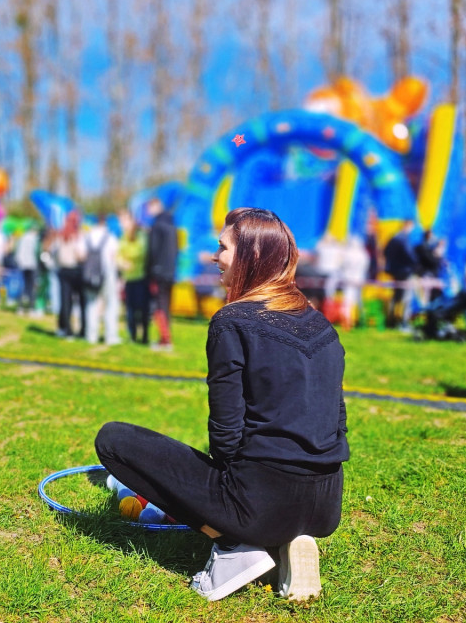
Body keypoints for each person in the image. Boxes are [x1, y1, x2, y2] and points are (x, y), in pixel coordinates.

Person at [95, 207, 348, 602]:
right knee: (249, 486)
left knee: (113, 439)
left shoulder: (231, 321)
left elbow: (225, 435)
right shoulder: (321, 325)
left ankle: (236, 546)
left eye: (223, 247)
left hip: (260, 503)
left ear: (251, 256)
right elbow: (338, 420)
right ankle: (284, 537)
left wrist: (223, 506)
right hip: (325, 505)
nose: (215, 257)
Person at [145, 198, 178, 351]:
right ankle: (166, 338)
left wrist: (149, 270)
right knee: (166, 305)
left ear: (155, 206)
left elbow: (152, 251)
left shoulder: (156, 225)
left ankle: (165, 340)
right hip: (171, 272)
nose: (147, 212)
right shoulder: (172, 224)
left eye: (149, 208)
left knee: (159, 306)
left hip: (158, 272)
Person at [83, 216, 121, 345]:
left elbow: (81, 255)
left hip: (89, 274)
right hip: (108, 273)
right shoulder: (110, 237)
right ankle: (110, 336)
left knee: (91, 304)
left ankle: (91, 335)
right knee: (111, 304)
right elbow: (114, 256)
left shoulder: (86, 236)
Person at [118, 211, 150, 344]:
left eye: (124, 220)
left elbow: (141, 251)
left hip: (141, 277)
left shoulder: (141, 235)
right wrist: (121, 261)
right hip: (128, 278)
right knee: (130, 309)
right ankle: (132, 335)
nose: (122, 224)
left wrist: (127, 258)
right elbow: (118, 253)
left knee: (142, 309)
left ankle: (144, 336)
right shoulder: (123, 236)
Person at [383, 220, 418, 330]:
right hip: (405, 272)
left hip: (394, 271)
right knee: (406, 297)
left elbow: (385, 251)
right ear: (408, 225)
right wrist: (416, 264)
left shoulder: (394, 237)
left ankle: (391, 320)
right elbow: (410, 255)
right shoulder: (403, 238)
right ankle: (403, 321)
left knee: (395, 296)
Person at [55, 213, 85, 339]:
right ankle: (83, 329)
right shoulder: (78, 236)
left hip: (63, 270)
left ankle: (66, 328)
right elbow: (80, 255)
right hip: (76, 270)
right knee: (81, 301)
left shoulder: (60, 235)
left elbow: (55, 253)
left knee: (65, 301)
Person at [339, 235, 370, 330]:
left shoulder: (347, 254)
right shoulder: (364, 254)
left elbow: (343, 266)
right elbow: (366, 267)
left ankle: (347, 321)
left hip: (349, 280)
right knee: (359, 301)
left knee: (348, 301)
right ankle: (361, 320)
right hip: (359, 280)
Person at [15, 225, 40, 315]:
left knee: (23, 286)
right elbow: (37, 252)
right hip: (32, 265)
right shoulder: (36, 239)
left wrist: (20, 262)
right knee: (32, 286)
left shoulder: (22, 238)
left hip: (23, 264)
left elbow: (18, 252)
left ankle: (20, 307)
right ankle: (31, 308)